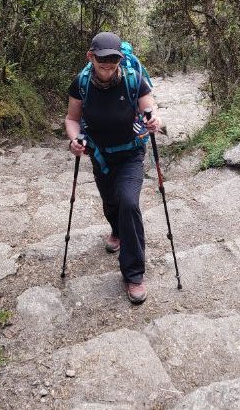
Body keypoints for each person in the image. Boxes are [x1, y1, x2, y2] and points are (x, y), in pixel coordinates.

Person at [65, 31, 161, 304]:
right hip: (100, 154)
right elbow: (72, 119)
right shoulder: (81, 84)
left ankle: (133, 275)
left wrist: (153, 120)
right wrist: (75, 140)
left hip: (131, 153)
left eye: (113, 62)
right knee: (111, 201)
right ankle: (117, 231)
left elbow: (149, 109)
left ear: (121, 58)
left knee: (129, 203)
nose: (107, 68)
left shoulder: (133, 79)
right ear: (90, 57)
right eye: (102, 62)